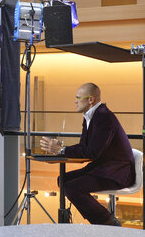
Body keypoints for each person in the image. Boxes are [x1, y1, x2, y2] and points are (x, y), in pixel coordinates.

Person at [39, 83, 135, 226]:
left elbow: (93, 152)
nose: (75, 101)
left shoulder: (103, 117)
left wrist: (61, 150)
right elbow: (84, 147)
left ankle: (107, 221)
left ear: (91, 99)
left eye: (78, 97)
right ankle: (99, 219)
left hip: (116, 172)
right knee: (63, 180)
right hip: (103, 168)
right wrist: (60, 149)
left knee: (71, 187)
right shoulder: (90, 117)